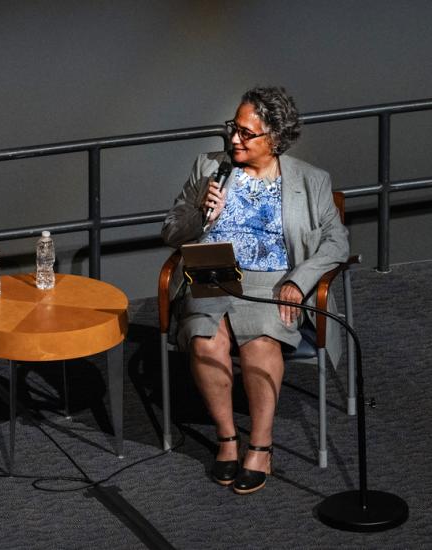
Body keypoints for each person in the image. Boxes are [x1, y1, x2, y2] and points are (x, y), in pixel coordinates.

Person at [161, 87, 349, 494]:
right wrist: (200, 212)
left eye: (246, 133)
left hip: (277, 274)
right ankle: (227, 439)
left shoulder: (311, 180)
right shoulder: (208, 167)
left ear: (275, 139)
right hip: (212, 263)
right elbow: (171, 231)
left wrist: (299, 281)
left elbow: (337, 243)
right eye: (234, 128)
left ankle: (261, 446)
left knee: (260, 342)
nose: (234, 140)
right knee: (206, 340)